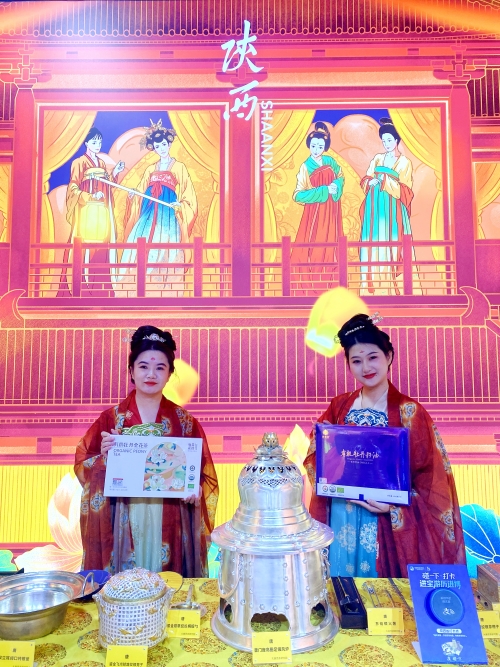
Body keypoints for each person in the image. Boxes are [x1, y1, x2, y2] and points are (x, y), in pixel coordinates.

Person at [304, 313, 465, 578]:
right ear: (348, 364)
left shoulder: (410, 412)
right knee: (340, 587)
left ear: (389, 356)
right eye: (356, 361)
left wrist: (395, 506)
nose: (366, 367)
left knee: (379, 592)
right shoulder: (339, 406)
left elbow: (431, 483)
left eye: (373, 357)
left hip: (384, 522)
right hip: (341, 515)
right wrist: (327, 448)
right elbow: (317, 455)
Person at [75, 325, 218, 576]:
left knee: (167, 583)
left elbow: (201, 474)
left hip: (169, 513)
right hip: (123, 512)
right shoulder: (111, 419)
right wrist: (104, 458)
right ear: (131, 371)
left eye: (160, 368)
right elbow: (83, 465)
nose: (151, 374)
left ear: (170, 373)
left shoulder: (185, 422)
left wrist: (194, 488)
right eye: (143, 366)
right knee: (126, 584)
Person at [120, 120, 197, 295]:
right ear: (153, 149)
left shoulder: (179, 167)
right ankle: (138, 284)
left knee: (166, 247)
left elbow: (188, 193)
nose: (161, 148)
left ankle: (163, 287)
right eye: (157, 146)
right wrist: (134, 195)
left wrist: (181, 205)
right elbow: (141, 190)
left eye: (163, 144)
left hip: (167, 214)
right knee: (141, 242)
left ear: (169, 144)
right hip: (148, 213)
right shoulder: (150, 169)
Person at [58, 127, 125, 297]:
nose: (97, 145)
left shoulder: (101, 163)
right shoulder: (79, 162)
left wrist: (115, 173)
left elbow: (107, 185)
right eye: (94, 142)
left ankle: (100, 290)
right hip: (86, 212)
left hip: (101, 213)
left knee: (102, 247)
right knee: (84, 247)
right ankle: (81, 290)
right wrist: (89, 196)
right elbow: (73, 187)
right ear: (86, 143)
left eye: (99, 142)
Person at [359, 117, 414, 295]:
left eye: (389, 140)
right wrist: (370, 182)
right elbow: (367, 178)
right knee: (374, 242)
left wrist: (385, 181)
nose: (386, 144)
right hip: (374, 207)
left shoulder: (404, 163)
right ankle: (373, 286)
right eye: (384, 141)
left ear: (397, 140)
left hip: (394, 208)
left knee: (393, 242)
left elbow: (406, 190)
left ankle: (393, 286)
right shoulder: (377, 158)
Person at [292, 121, 344, 295]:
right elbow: (298, 195)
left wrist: (336, 186)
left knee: (331, 248)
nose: (316, 150)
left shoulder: (330, 161)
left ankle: (331, 287)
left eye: (320, 147)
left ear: (325, 147)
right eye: (313, 146)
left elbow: (341, 177)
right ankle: (314, 287)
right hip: (314, 216)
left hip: (331, 213)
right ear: (309, 145)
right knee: (314, 249)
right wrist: (323, 191)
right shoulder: (305, 167)